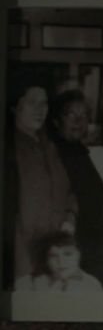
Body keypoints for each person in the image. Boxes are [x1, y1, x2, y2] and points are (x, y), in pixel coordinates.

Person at [5, 76, 76, 286]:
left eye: (44, 103)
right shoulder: (9, 150)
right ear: (14, 107)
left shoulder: (50, 145)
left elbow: (69, 191)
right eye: (32, 102)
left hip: (56, 254)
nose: (40, 109)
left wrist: (70, 218)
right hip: (23, 259)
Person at [48, 88, 103, 282]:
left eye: (83, 115)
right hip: (72, 244)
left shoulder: (78, 150)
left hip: (92, 241)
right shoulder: (54, 153)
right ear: (56, 120)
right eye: (71, 115)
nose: (79, 121)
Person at [23, 230, 103, 292]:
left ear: (78, 255)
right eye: (53, 256)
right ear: (47, 260)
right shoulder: (35, 283)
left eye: (68, 254)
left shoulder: (92, 285)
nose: (61, 262)